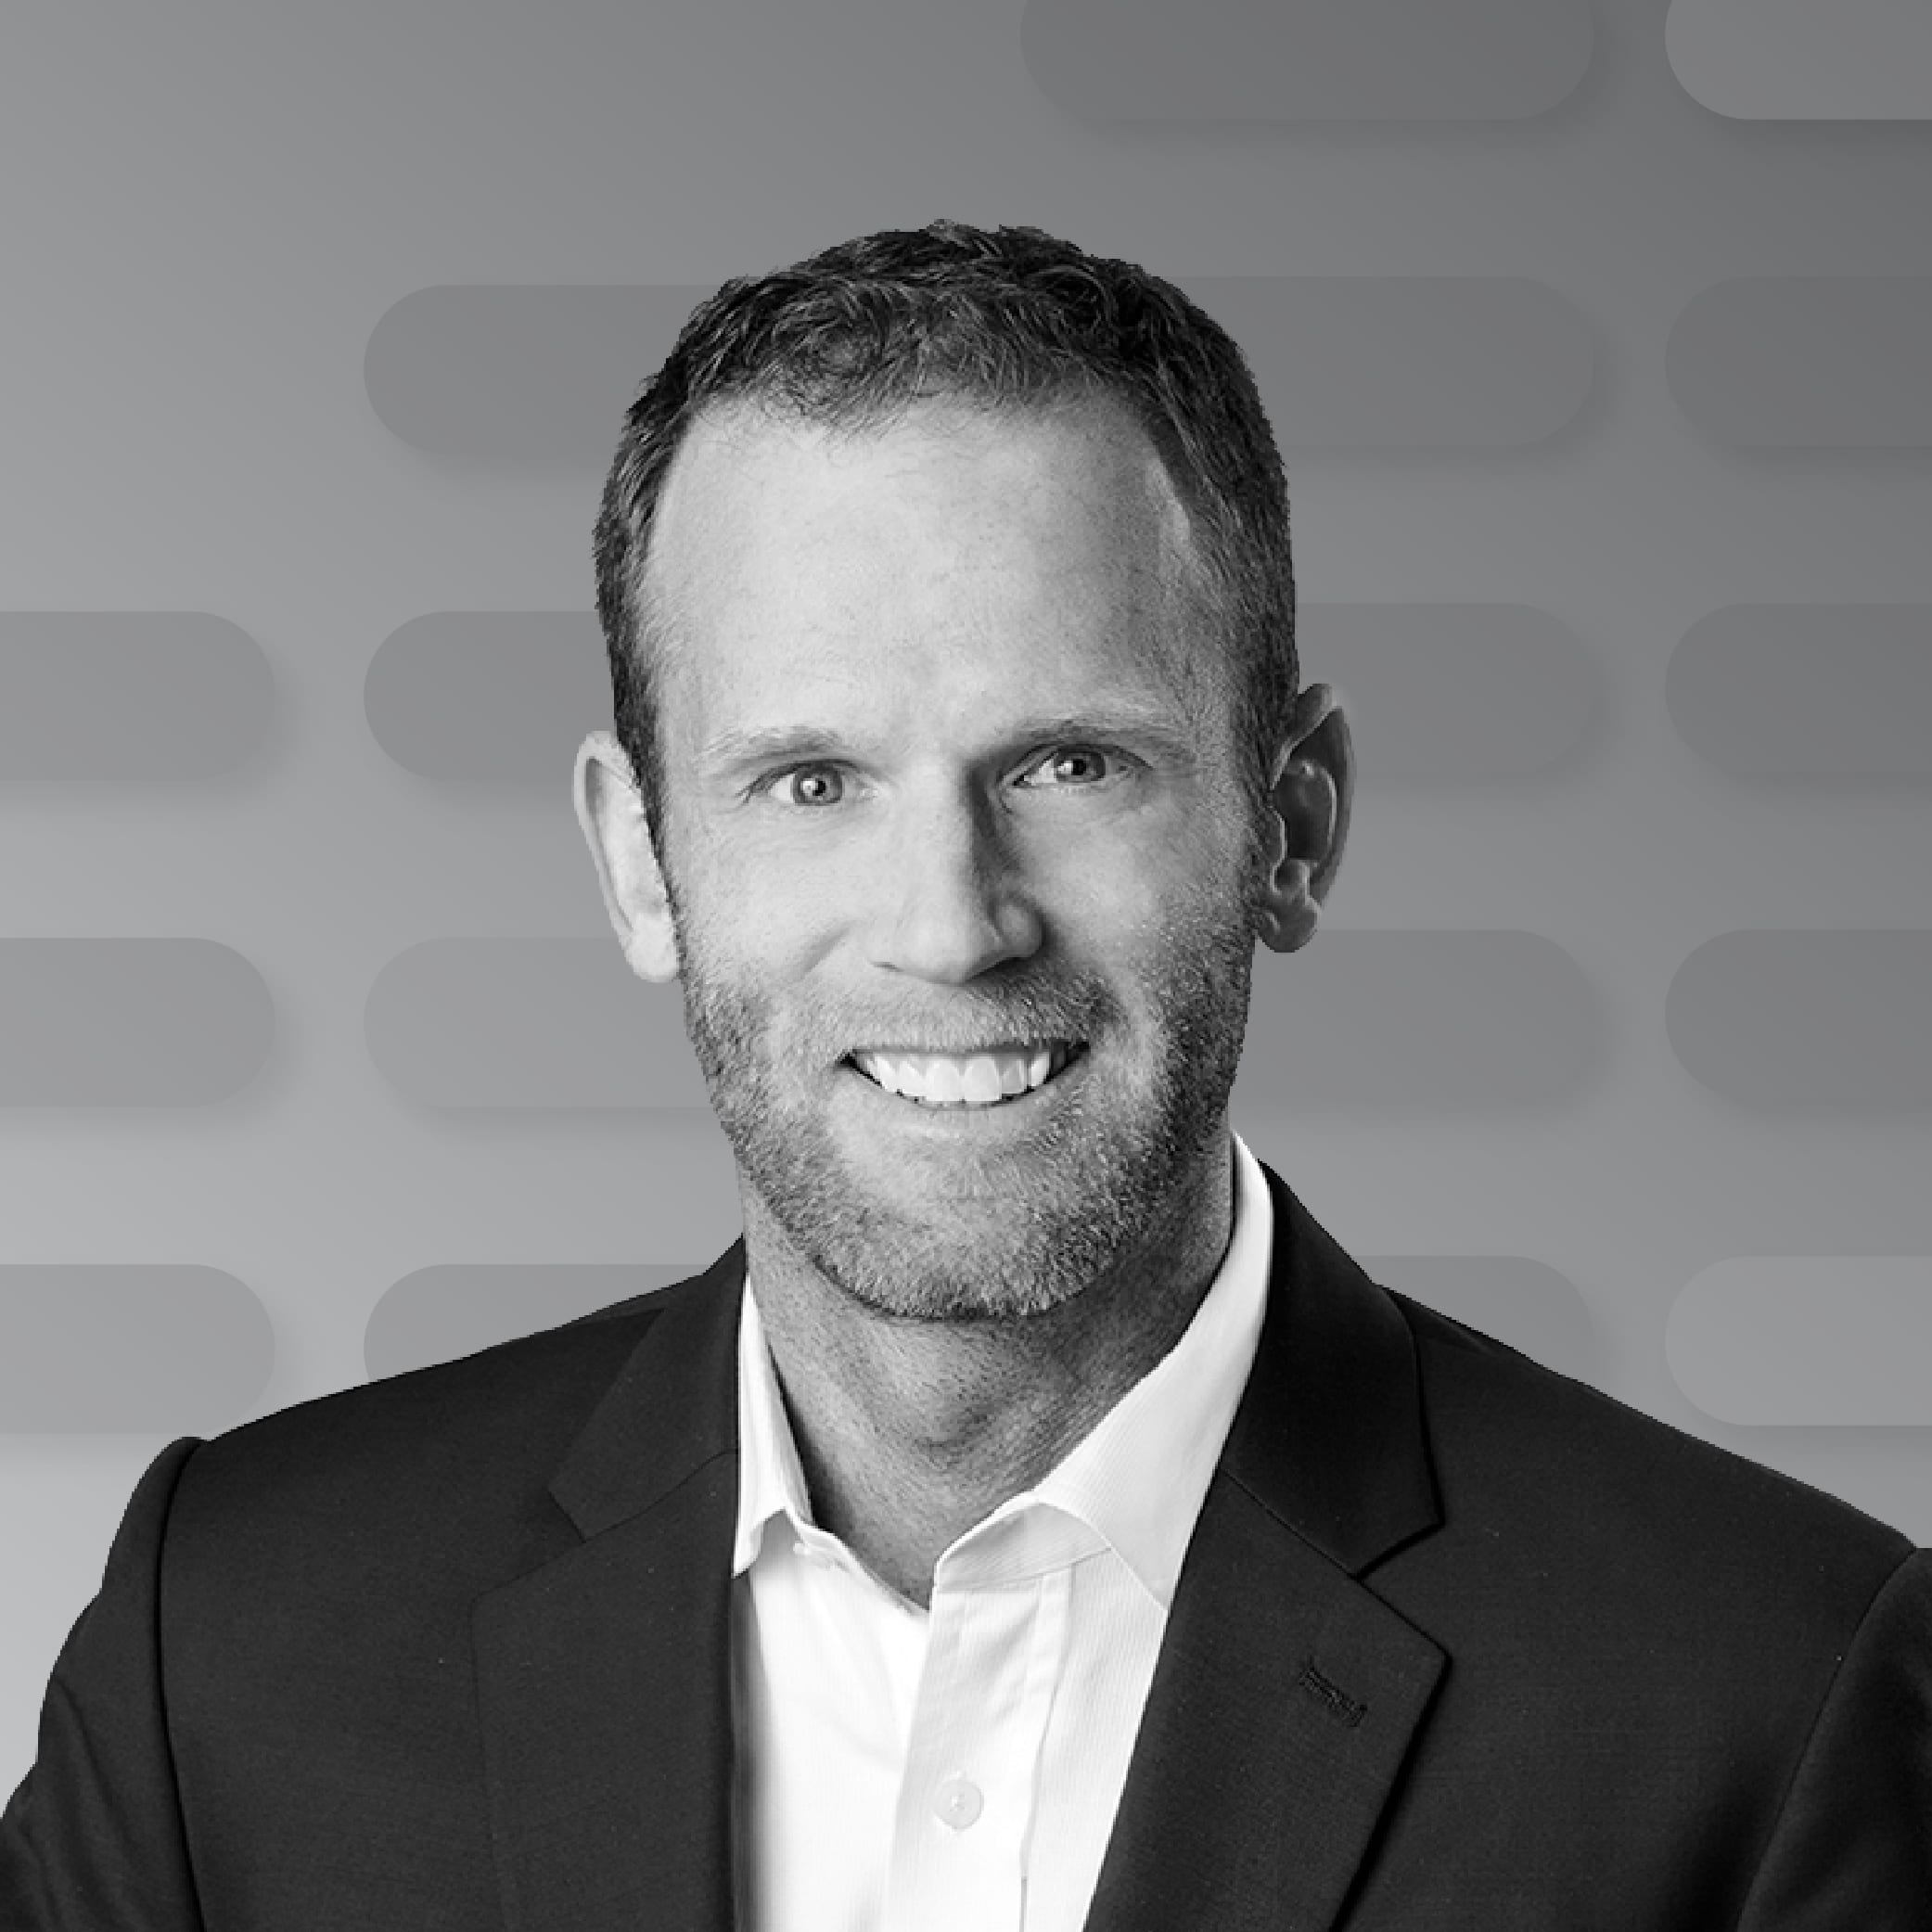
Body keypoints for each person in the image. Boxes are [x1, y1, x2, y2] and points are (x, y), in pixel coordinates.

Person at [3, 221, 1927, 1931]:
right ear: (639, 862)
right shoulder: (224, 1653)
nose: (950, 924)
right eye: (811, 780)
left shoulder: (1766, 1700)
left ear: (1292, 823)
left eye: (1069, 764)